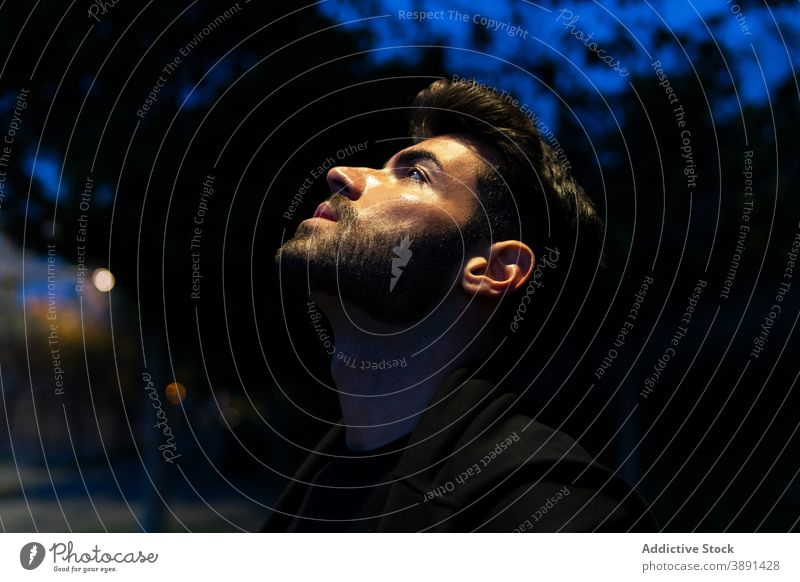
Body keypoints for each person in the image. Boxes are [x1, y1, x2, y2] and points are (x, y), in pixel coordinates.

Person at [266, 78, 658, 532]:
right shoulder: (313, 491)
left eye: (414, 175)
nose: (344, 174)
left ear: (492, 269)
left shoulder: (556, 512)